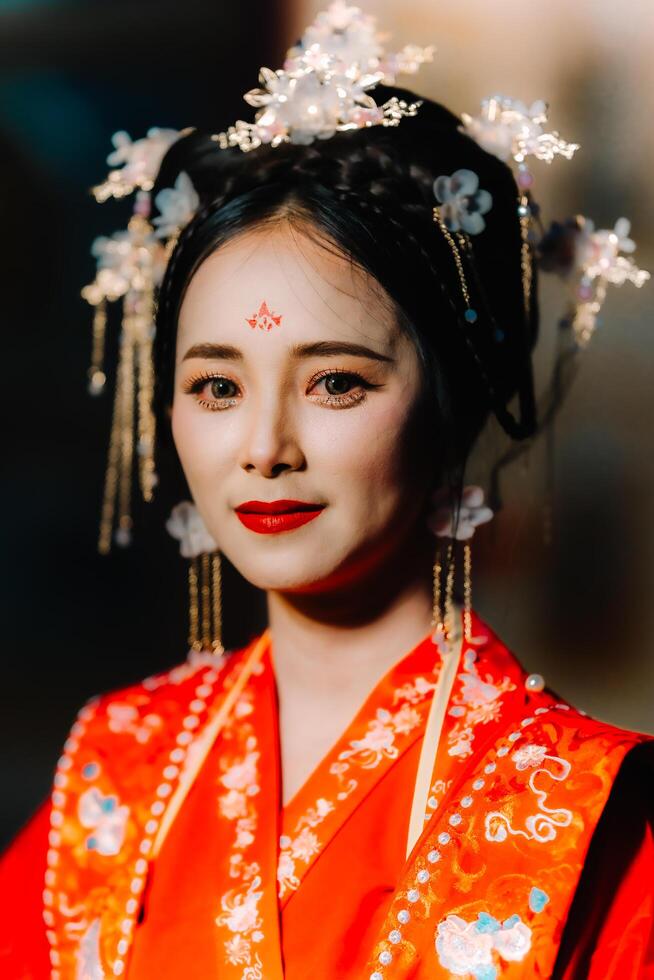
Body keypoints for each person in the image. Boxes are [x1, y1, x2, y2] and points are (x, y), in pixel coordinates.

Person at [1, 4, 652, 978]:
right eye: (217, 385)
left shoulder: (587, 815)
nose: (264, 447)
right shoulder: (117, 771)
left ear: (453, 399)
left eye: (336, 381)